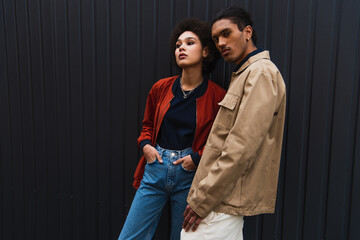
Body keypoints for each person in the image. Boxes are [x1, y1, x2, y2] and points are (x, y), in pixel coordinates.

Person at [181, 6, 287, 240]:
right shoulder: (245, 73)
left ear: (247, 32)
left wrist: (203, 199)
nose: (221, 42)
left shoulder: (260, 73)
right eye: (216, 38)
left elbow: (240, 148)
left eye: (227, 33)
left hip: (220, 202)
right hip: (219, 198)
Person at [118, 18, 226, 240]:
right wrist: (145, 145)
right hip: (155, 168)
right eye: (178, 45)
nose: (181, 48)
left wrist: (196, 158)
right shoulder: (161, 88)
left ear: (205, 52)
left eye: (189, 43)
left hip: (189, 175)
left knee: (183, 238)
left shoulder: (217, 96)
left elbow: (221, 139)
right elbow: (147, 125)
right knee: (130, 237)